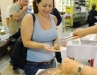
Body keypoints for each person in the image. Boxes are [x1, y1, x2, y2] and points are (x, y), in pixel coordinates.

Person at [21, 0, 58, 75]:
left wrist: (58, 43)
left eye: (50, 6)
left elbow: (55, 38)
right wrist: (42, 45)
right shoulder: (29, 18)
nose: (47, 9)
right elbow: (26, 42)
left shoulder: (53, 18)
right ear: (37, 3)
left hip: (51, 62)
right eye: (44, 6)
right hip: (34, 64)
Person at [8, 0, 29, 73]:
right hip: (15, 33)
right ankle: (15, 67)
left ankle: (20, 65)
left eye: (27, 1)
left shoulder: (25, 8)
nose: (26, 3)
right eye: (25, 1)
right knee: (15, 51)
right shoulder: (14, 7)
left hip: (22, 33)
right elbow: (15, 18)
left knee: (21, 51)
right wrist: (23, 10)